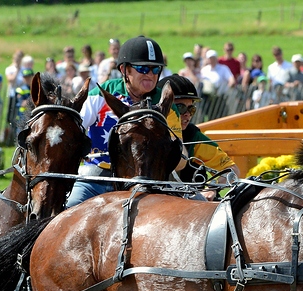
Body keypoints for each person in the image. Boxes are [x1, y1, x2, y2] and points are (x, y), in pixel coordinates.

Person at [65, 35, 181, 208]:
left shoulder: (167, 104)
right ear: (125, 70)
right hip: (94, 182)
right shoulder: (99, 95)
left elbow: (180, 157)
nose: (150, 74)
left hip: (148, 187)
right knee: (64, 212)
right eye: (143, 68)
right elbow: (72, 134)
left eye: (155, 70)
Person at [159, 74, 239, 186]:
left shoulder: (194, 137)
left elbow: (232, 169)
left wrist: (213, 189)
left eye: (191, 109)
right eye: (180, 108)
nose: (187, 114)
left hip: (187, 199)